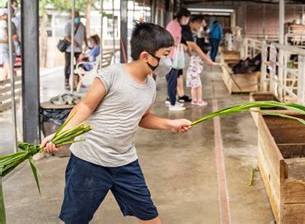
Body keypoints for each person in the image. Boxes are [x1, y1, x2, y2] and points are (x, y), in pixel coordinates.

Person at [41, 22, 192, 224]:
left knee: (150, 218)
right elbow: (84, 106)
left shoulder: (150, 84)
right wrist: (60, 136)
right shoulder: (112, 75)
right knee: (73, 220)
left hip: (125, 162)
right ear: (146, 56)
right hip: (89, 162)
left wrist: (169, 124)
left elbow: (143, 117)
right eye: (165, 55)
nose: (168, 61)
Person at [182, 15, 217, 106]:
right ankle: (198, 100)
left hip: (193, 72)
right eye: (200, 25)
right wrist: (208, 60)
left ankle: (195, 100)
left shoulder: (193, 33)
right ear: (195, 23)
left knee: (195, 86)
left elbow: (193, 49)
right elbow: (195, 48)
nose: (200, 28)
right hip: (193, 73)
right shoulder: (186, 31)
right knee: (197, 86)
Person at [165, 8, 191, 111]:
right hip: (172, 56)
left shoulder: (173, 24)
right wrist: (182, 46)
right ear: (184, 17)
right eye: (187, 19)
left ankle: (171, 100)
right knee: (172, 81)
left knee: (170, 80)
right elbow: (172, 40)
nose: (187, 21)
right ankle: (172, 104)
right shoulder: (175, 26)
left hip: (169, 55)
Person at [63, 11, 87, 90]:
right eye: (75, 15)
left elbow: (84, 36)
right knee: (68, 65)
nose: (77, 17)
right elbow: (66, 36)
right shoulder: (68, 24)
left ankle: (76, 82)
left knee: (79, 65)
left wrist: (86, 45)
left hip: (79, 50)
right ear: (71, 16)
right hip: (69, 49)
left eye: (77, 15)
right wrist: (74, 42)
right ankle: (66, 81)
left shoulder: (82, 26)